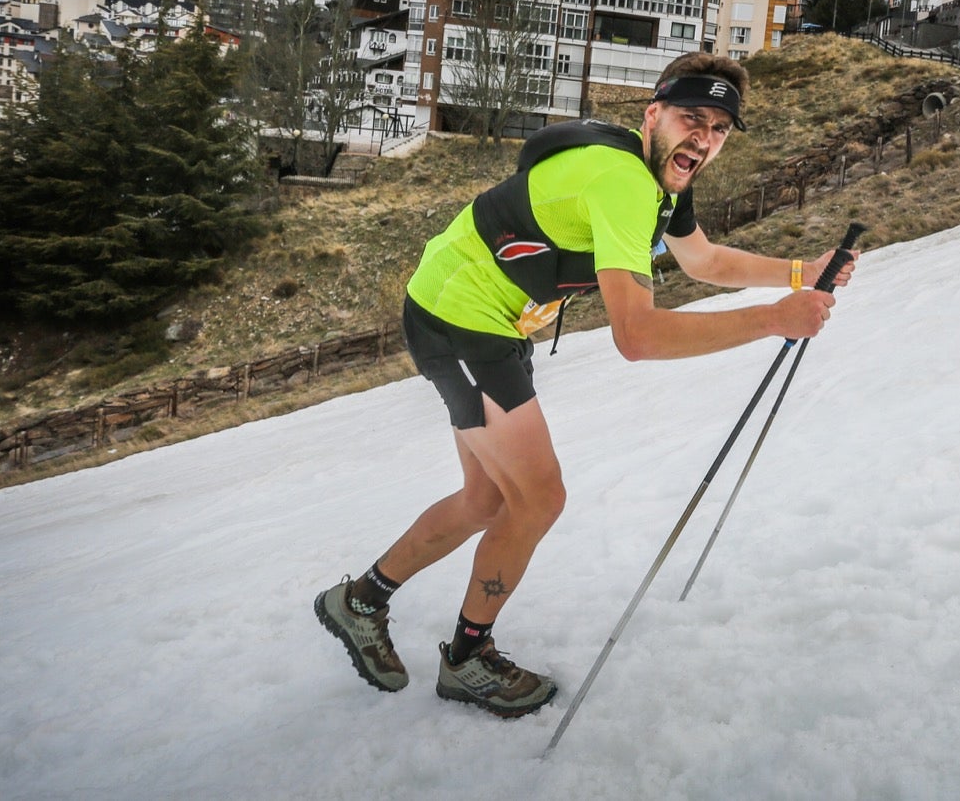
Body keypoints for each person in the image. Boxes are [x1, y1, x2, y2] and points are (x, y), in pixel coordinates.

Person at [315, 52, 857, 717]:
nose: (704, 139)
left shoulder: (659, 177)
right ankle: (466, 659)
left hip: (479, 319)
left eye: (718, 129)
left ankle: (361, 602)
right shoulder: (623, 183)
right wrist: (774, 319)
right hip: (461, 324)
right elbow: (638, 337)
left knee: (488, 498)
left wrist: (802, 272)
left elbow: (704, 259)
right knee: (537, 499)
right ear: (652, 114)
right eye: (693, 119)